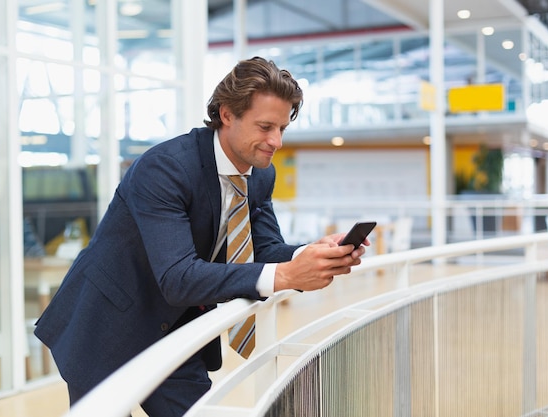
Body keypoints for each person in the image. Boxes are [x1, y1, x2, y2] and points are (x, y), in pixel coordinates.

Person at [34, 56, 368, 416]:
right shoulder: (166, 168)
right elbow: (178, 277)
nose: (276, 141)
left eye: (282, 128)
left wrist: (311, 253)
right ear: (227, 114)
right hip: (104, 327)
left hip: (174, 327)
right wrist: (286, 275)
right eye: (265, 126)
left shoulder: (259, 175)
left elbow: (264, 248)